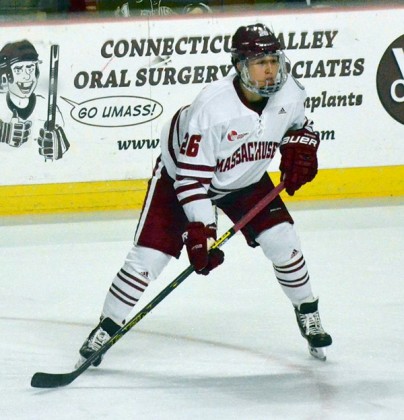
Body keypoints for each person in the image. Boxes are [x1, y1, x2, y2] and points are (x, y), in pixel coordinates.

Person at [76, 23, 332, 368]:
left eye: (273, 59)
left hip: (246, 179)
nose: (269, 69)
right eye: (259, 62)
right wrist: (201, 231)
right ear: (240, 65)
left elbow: (301, 126)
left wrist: (302, 145)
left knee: (284, 241)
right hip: (181, 179)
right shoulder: (212, 108)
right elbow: (190, 181)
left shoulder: (291, 93)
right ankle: (106, 327)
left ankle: (307, 311)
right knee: (147, 259)